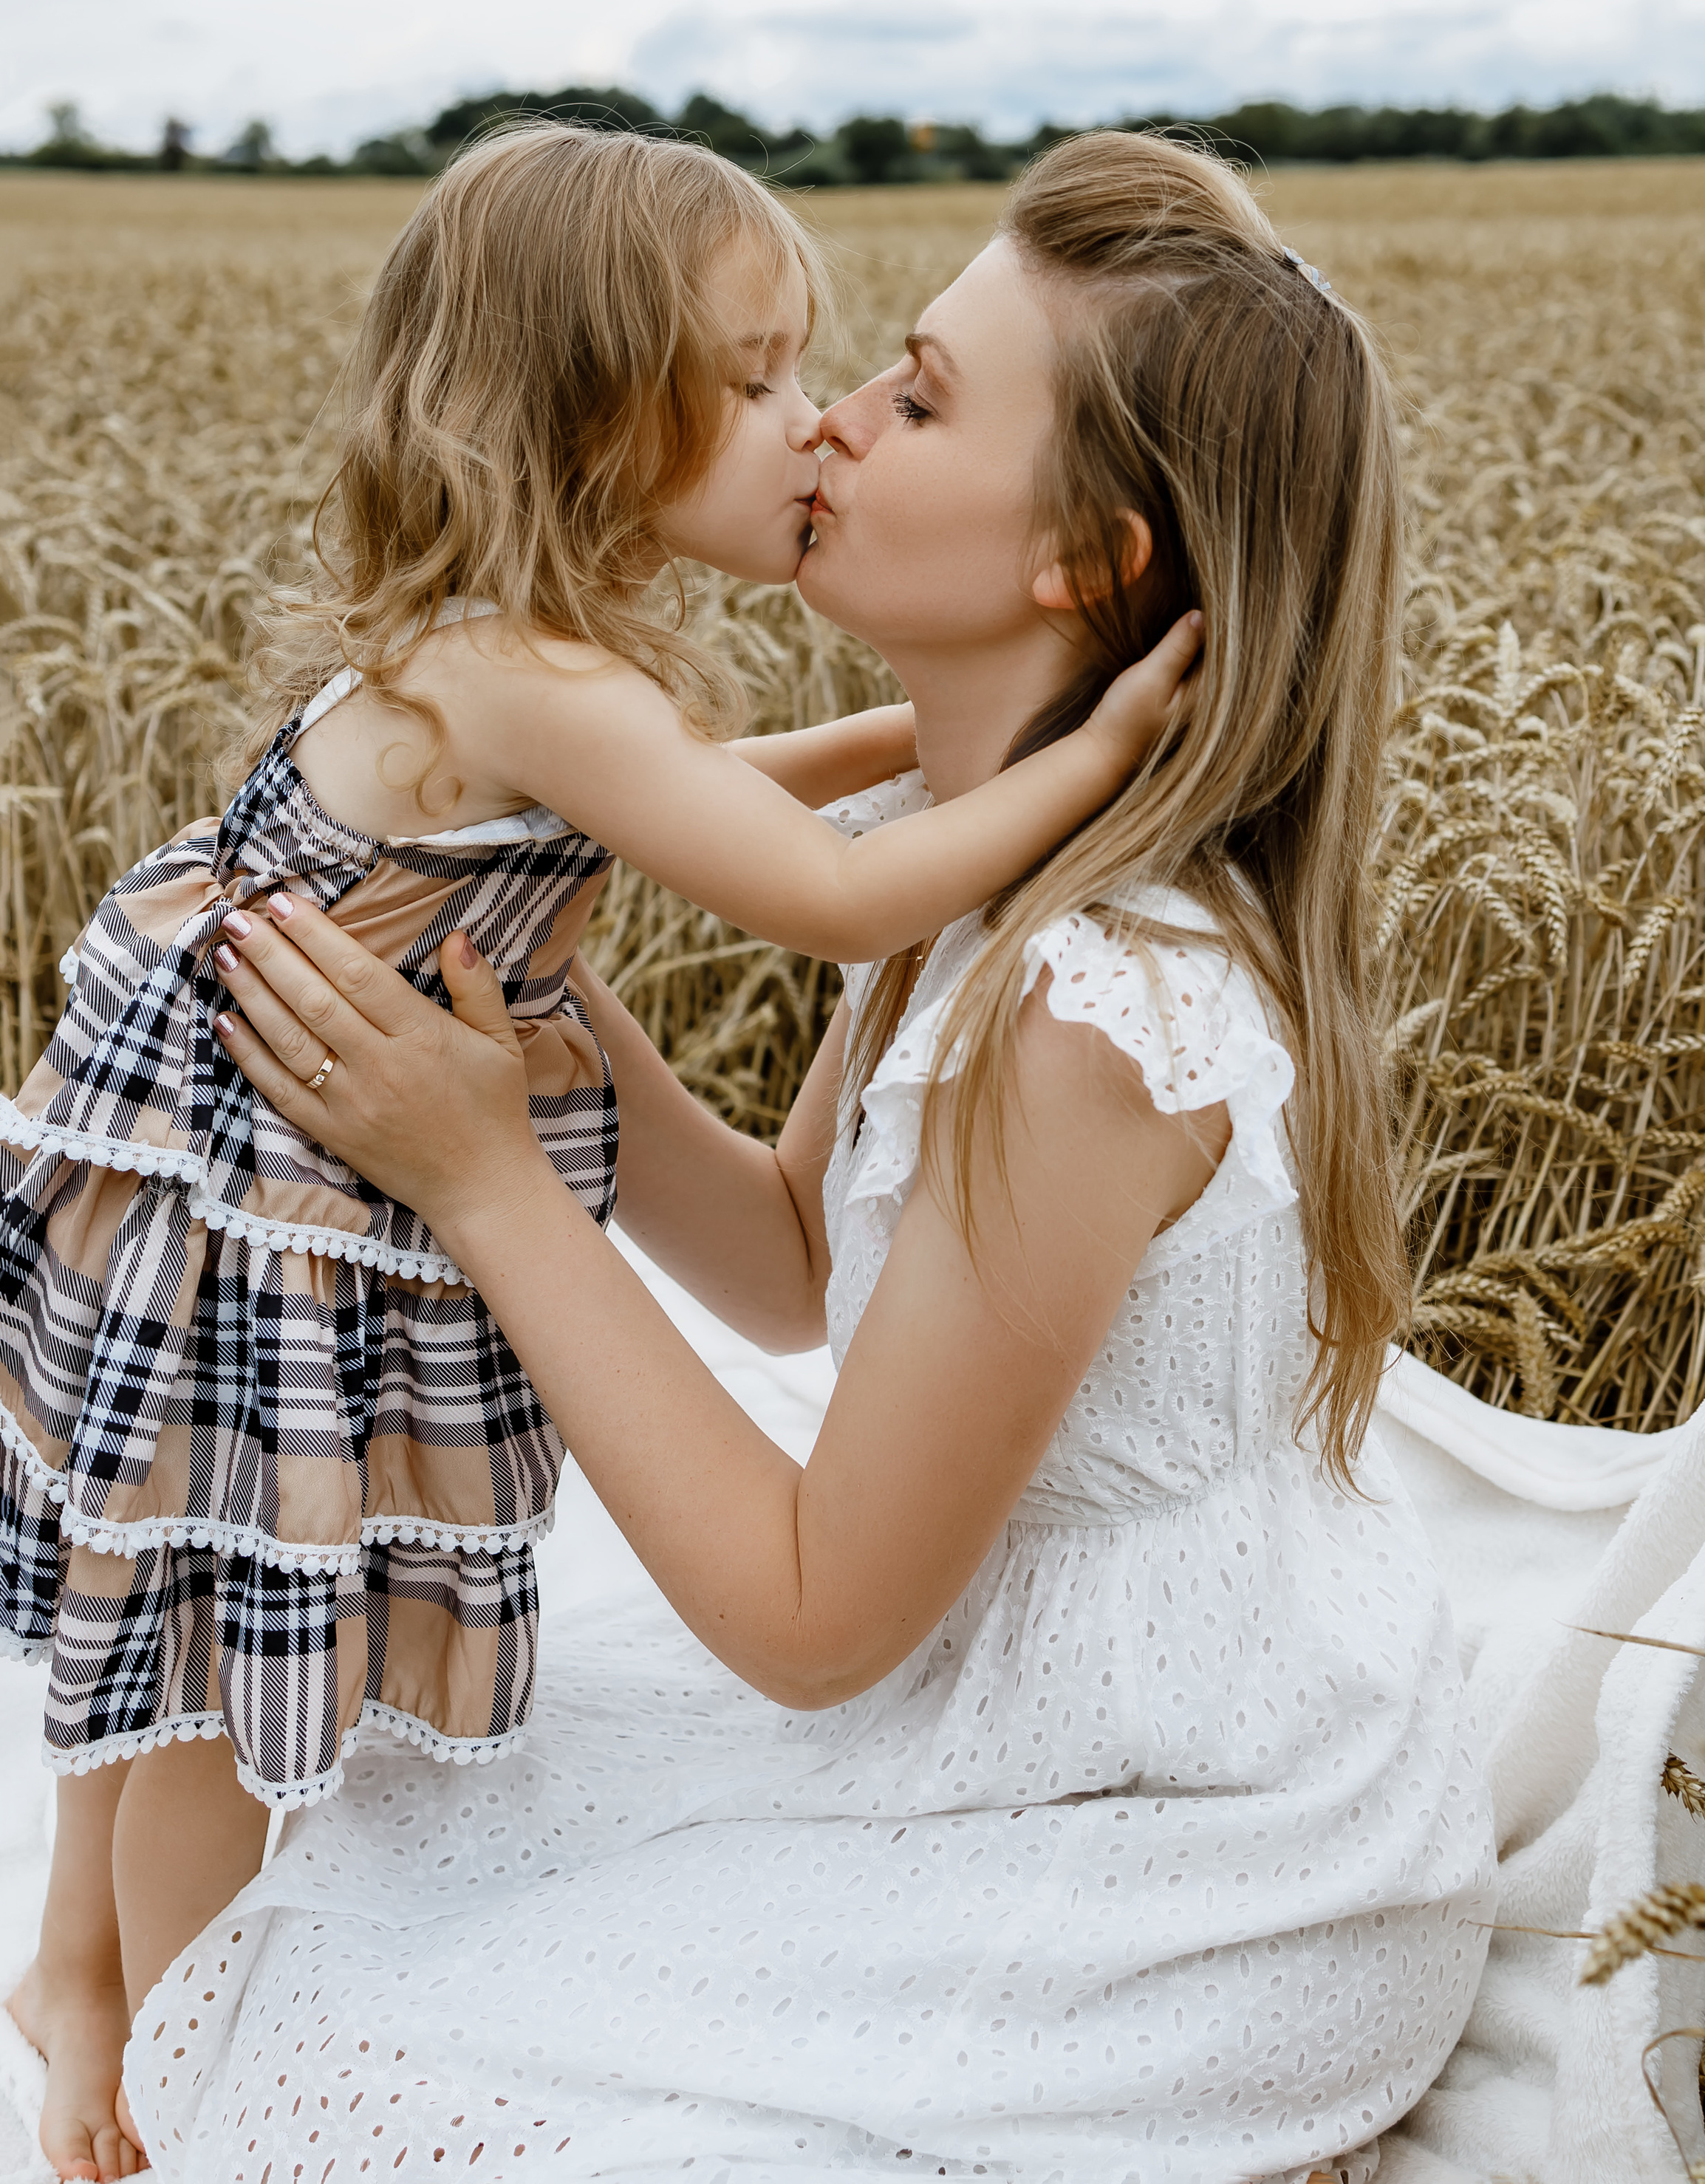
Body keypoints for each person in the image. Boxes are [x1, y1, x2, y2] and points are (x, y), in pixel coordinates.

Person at [131, 131, 1495, 2183]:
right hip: (1003, 1691)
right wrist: (515, 992)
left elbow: (810, 1619)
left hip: (1189, 1834)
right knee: (358, 1840)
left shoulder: (1089, 1018)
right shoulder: (946, 878)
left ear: (1090, 561)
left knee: (383, 2074)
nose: (833, 419)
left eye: (922, 395)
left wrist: (494, 1186)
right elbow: (795, 1260)